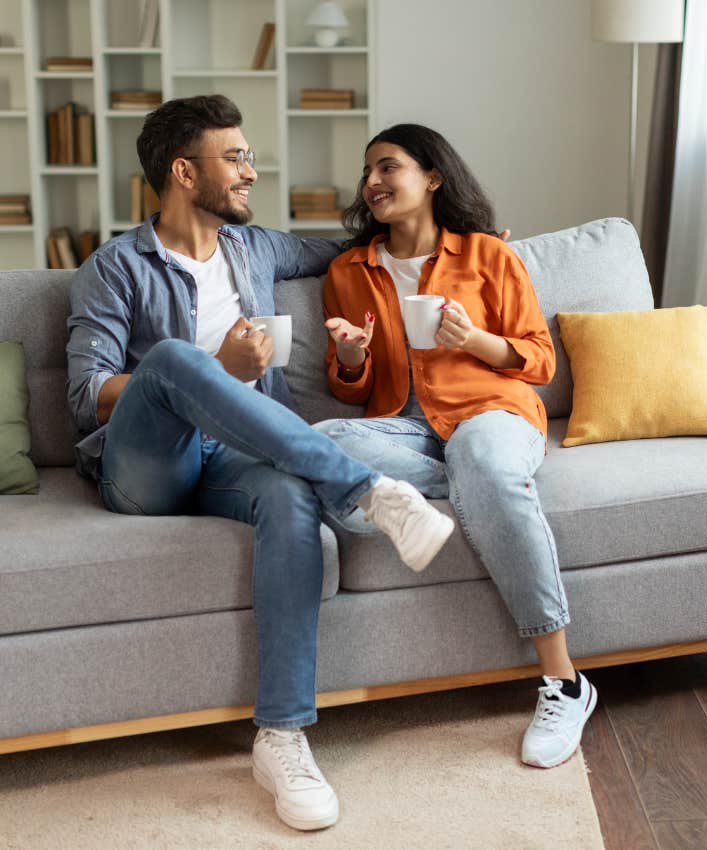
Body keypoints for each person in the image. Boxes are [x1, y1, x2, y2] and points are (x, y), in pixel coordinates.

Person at [66, 96, 455, 832]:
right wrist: (215, 365)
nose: (251, 171)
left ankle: (281, 735)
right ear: (184, 172)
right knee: (178, 362)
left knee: (287, 496)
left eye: (249, 156)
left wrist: (455, 231)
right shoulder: (114, 268)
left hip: (239, 458)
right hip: (147, 468)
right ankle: (370, 492)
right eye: (235, 158)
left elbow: (348, 246)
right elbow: (87, 398)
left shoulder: (256, 250)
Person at [314, 123, 597, 769]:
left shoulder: (488, 257)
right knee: (319, 440)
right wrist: (351, 357)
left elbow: (538, 360)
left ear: (432, 177)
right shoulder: (348, 271)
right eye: (368, 173)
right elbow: (351, 393)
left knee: (481, 456)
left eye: (388, 167)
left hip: (490, 409)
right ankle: (479, 482)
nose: (373, 183)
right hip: (404, 424)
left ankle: (564, 681)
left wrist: (472, 341)